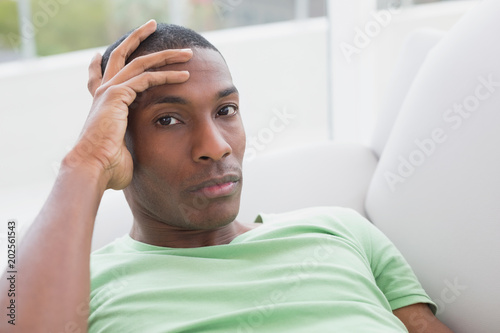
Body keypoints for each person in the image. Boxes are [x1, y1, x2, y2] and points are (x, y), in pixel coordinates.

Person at [0, 20, 452, 332]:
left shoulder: (341, 231)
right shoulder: (81, 288)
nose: (215, 145)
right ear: (120, 140)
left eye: (226, 110)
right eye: (168, 120)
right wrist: (86, 162)